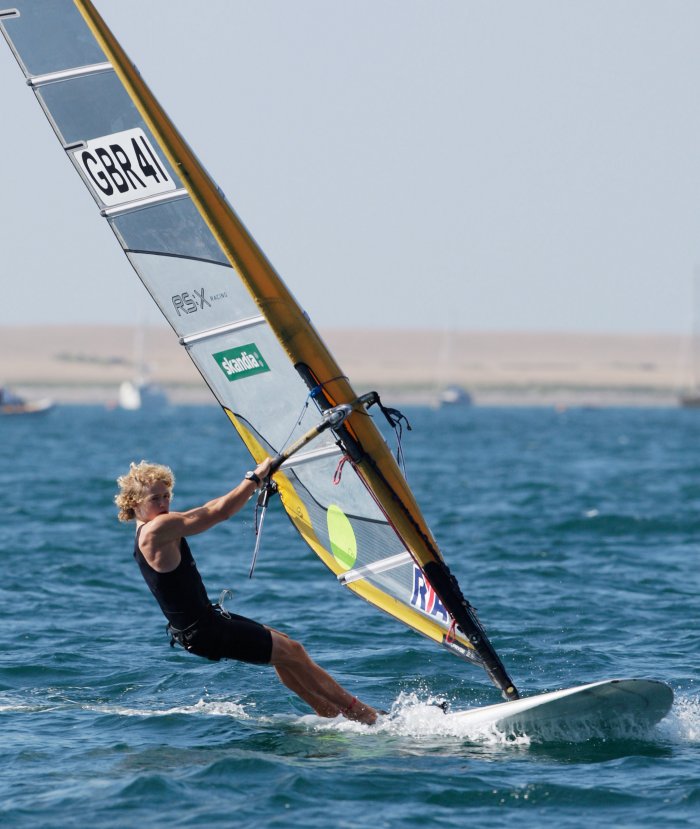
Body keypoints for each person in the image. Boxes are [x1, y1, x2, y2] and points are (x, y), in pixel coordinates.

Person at [115, 458, 379, 724]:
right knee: (292, 652)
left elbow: (207, 508)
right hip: (205, 630)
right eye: (155, 499)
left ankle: (329, 714)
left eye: (166, 496)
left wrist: (254, 482)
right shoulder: (156, 530)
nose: (163, 504)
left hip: (202, 625)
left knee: (287, 649)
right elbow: (218, 512)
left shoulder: (152, 530)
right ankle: (365, 716)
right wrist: (255, 479)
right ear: (135, 503)